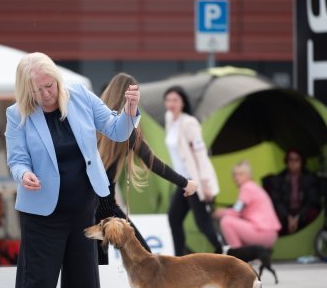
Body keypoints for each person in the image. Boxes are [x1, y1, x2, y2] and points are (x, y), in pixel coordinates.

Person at [4, 52, 140, 288]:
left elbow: (116, 130)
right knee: (35, 282)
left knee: (82, 282)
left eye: (49, 86)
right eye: (37, 90)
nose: (46, 94)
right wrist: (24, 176)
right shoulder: (16, 114)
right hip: (41, 212)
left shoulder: (79, 95)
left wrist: (130, 111)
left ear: (57, 81)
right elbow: (17, 159)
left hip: (83, 207)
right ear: (26, 90)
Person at [96, 73, 198, 263]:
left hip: (87, 204)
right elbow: (153, 162)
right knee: (144, 259)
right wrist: (184, 182)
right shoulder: (127, 130)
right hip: (106, 206)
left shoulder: (93, 123)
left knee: (98, 264)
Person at [163, 85, 223, 256]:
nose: (171, 104)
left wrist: (205, 184)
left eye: (175, 100)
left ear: (183, 102)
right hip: (182, 181)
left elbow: (201, 155)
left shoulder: (189, 123)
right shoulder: (169, 119)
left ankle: (228, 255)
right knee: (174, 218)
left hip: (195, 181)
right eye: (168, 100)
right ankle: (179, 259)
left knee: (203, 224)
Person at [214, 160, 281, 248]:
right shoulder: (254, 186)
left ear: (248, 175)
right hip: (270, 234)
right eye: (234, 174)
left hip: (262, 232)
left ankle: (238, 256)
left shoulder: (247, 188)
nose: (236, 177)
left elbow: (235, 211)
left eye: (241, 174)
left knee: (226, 222)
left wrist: (218, 213)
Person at [267, 148, 321, 235]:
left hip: (302, 211)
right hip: (285, 211)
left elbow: (311, 200)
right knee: (272, 215)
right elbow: (276, 200)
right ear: (286, 161)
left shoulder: (309, 179)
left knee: (313, 212)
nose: (293, 162)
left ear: (302, 162)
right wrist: (288, 217)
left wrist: (298, 217)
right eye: (290, 159)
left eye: (296, 160)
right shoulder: (279, 179)